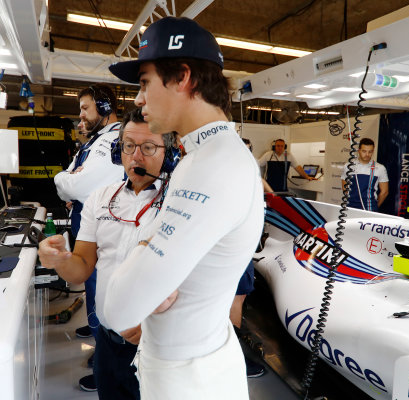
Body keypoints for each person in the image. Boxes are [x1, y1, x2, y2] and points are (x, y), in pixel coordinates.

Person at [107, 16, 264, 399]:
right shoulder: (203, 156)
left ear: (183, 77)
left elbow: (118, 309)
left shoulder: (214, 166)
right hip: (188, 365)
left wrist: (142, 252)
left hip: (189, 380)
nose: (138, 98)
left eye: (145, 83)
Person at [39, 108, 178, 399]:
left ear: (170, 152)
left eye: (149, 147)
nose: (136, 156)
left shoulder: (179, 203)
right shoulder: (101, 199)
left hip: (156, 348)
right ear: (118, 150)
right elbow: (82, 266)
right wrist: (60, 260)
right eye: (128, 146)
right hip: (107, 340)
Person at [53, 83, 124, 391]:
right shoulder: (96, 141)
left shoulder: (112, 143)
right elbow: (70, 179)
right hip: (86, 220)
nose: (80, 115)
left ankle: (106, 361)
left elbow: (73, 186)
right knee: (91, 289)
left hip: (103, 228)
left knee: (99, 291)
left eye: (85, 108)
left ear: (105, 108)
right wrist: (69, 182)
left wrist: (65, 181)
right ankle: (101, 343)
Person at [341, 138, 389, 212]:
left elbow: (384, 191)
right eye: (364, 151)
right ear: (359, 150)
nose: (367, 154)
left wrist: (375, 206)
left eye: (370, 152)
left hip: (370, 209)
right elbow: (345, 187)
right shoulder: (348, 166)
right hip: (350, 207)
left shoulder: (380, 168)